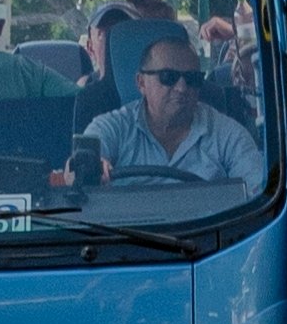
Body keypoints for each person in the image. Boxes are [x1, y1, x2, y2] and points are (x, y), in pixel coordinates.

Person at [69, 29, 266, 200]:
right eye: (168, 77)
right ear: (141, 82)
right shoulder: (112, 126)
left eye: (192, 79)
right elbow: (75, 167)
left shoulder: (227, 134)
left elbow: (258, 194)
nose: (181, 88)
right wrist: (89, 168)